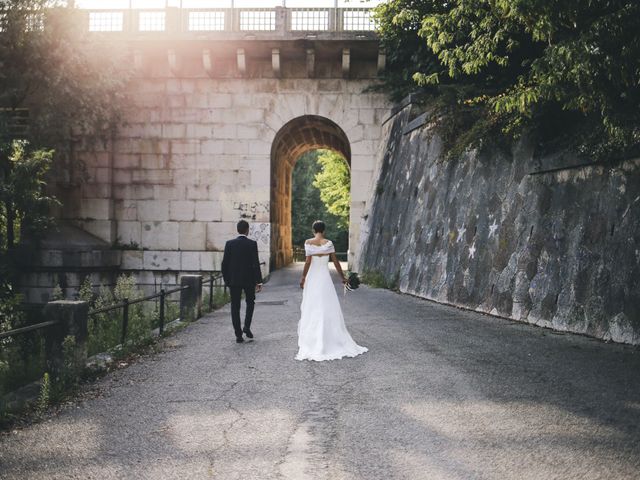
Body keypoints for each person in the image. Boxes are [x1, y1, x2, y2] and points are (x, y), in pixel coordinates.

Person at [297, 220, 368, 361]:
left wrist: (303, 277)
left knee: (313, 307)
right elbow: (335, 262)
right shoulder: (328, 243)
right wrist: (343, 277)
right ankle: (330, 338)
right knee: (327, 307)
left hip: (313, 279)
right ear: (324, 230)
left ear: (313, 230)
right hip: (324, 279)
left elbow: (308, 262)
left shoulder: (308, 242)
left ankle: (313, 340)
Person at [221, 220, 263, 343]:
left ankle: (238, 334)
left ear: (237, 230)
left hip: (234, 281)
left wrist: (227, 280)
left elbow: (224, 264)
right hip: (249, 280)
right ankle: (246, 327)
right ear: (247, 230)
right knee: (250, 303)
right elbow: (255, 264)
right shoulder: (252, 244)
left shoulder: (229, 244)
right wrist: (258, 281)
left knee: (235, 307)